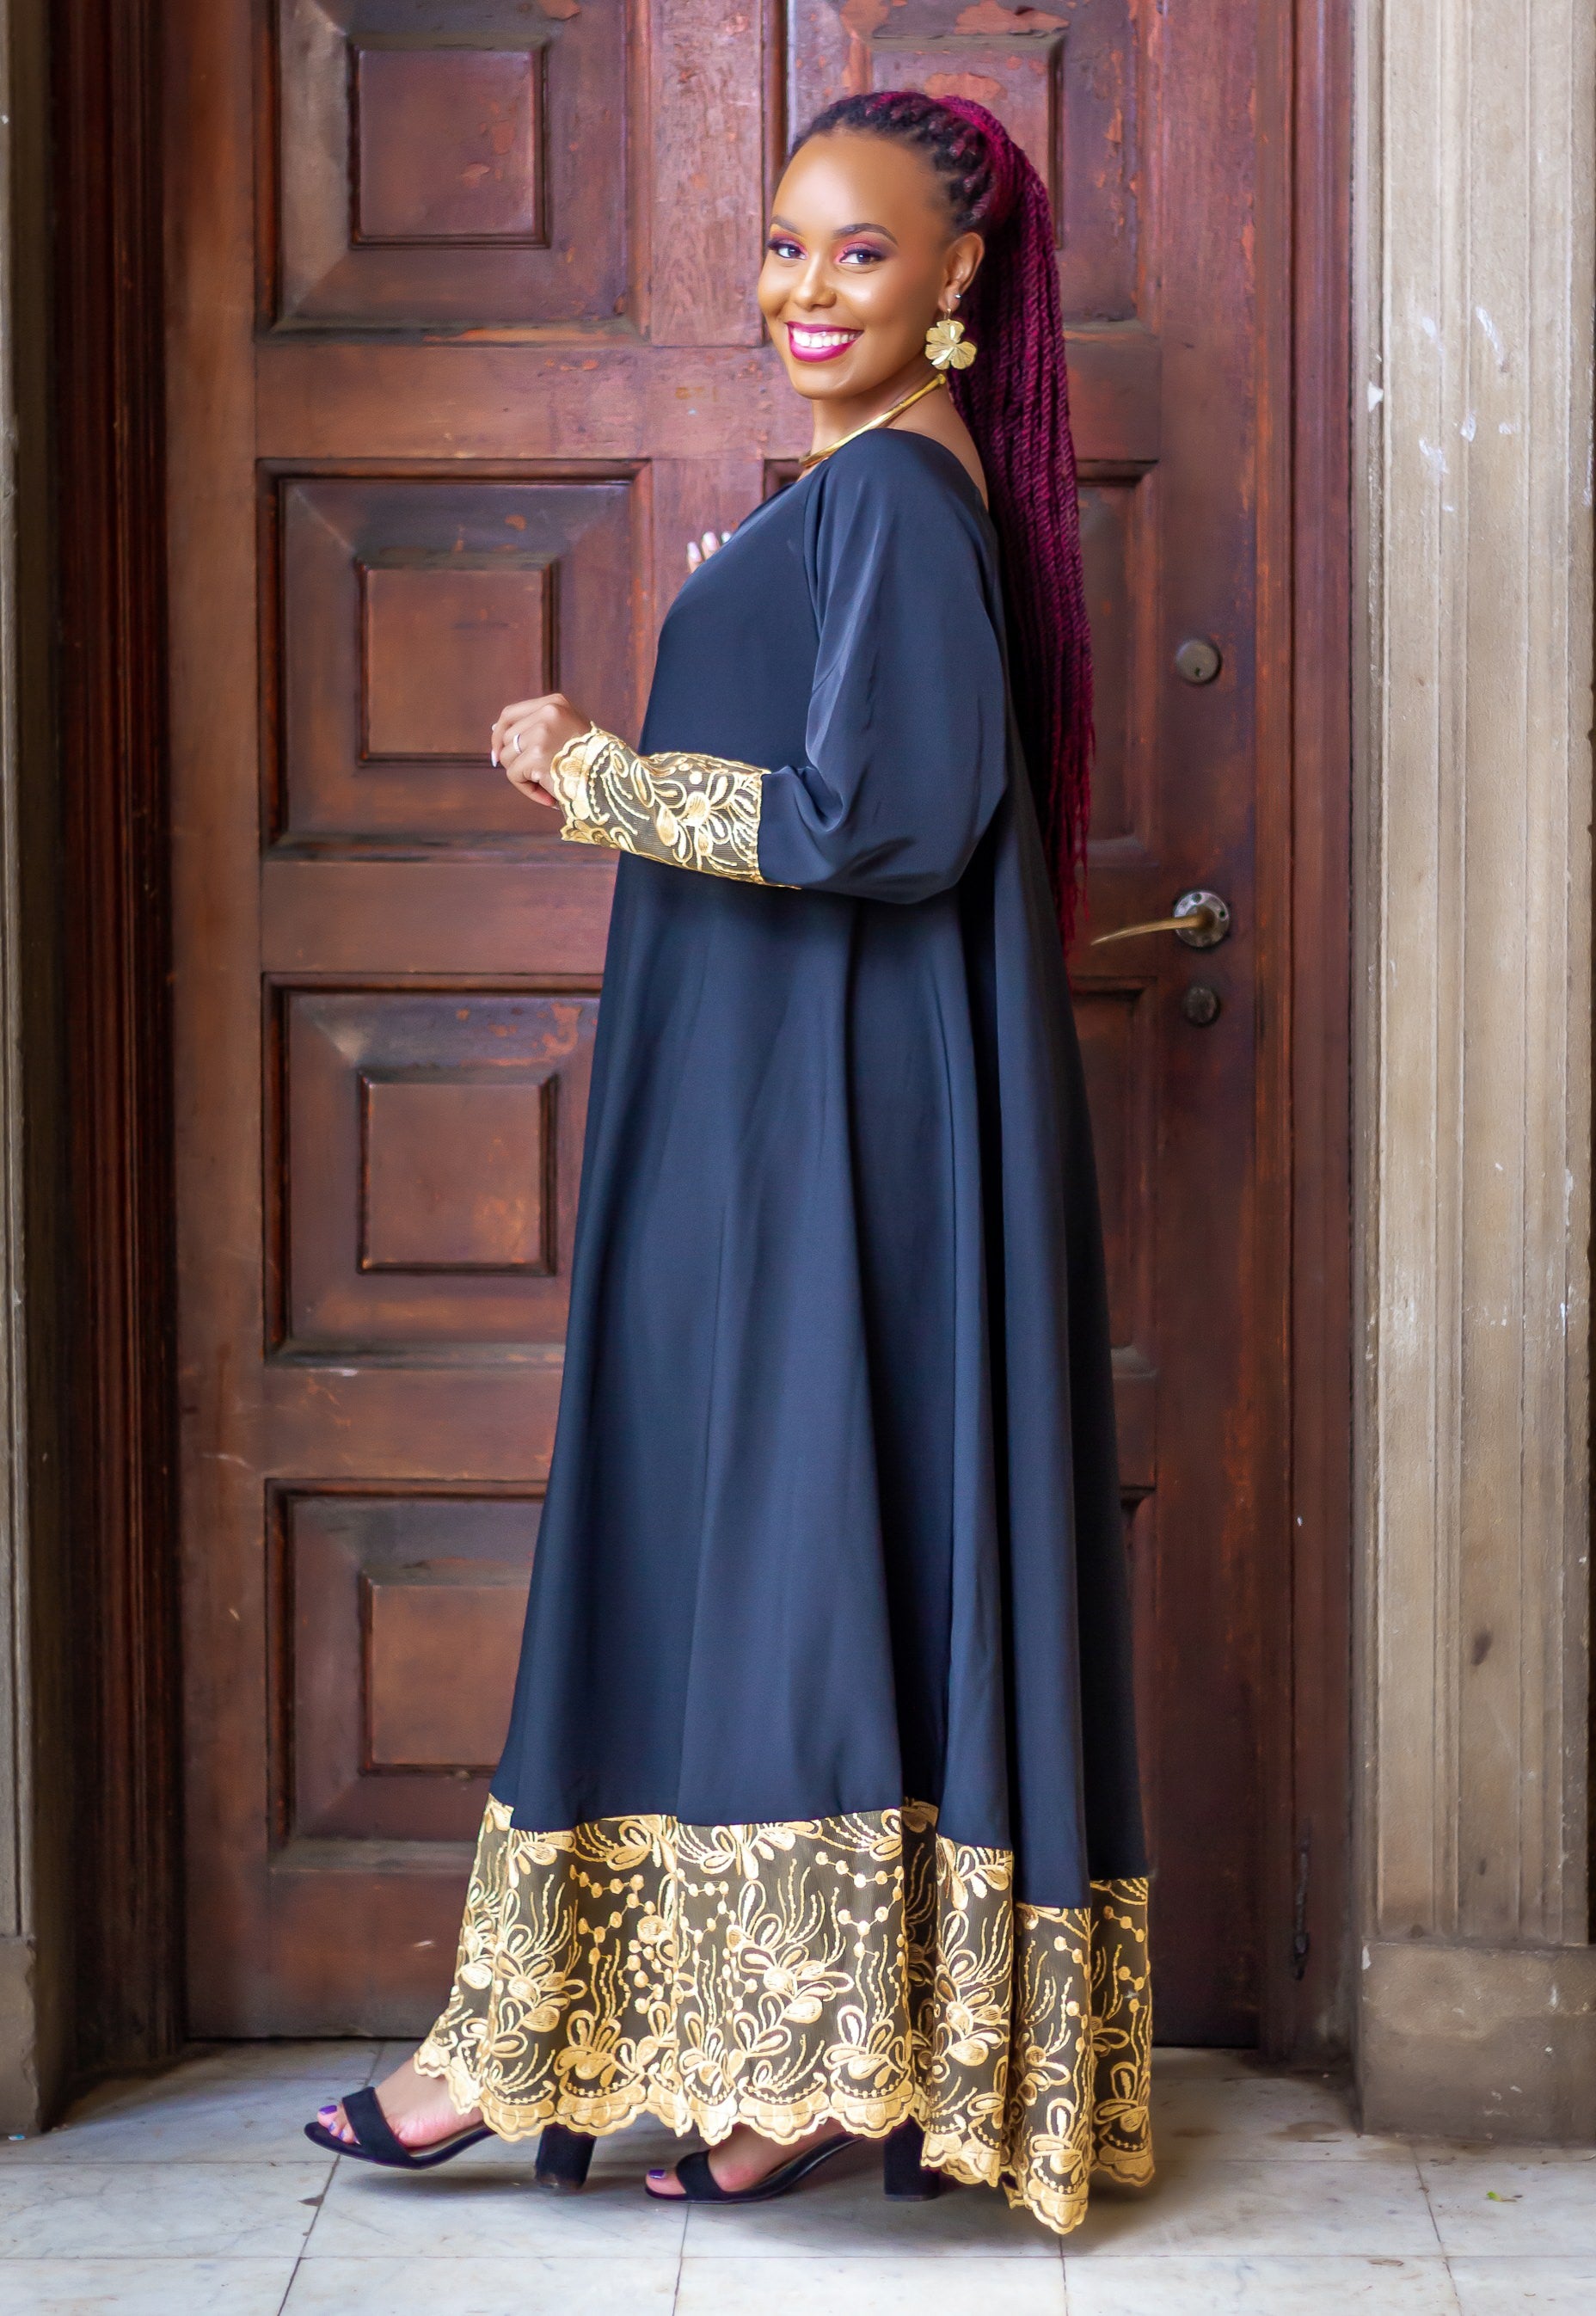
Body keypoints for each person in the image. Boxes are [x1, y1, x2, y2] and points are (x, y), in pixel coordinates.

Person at [305, 89, 1152, 2239]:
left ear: (957, 280)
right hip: (787, 1108)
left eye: (859, 251)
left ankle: (594, 2056)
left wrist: (598, 773)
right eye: (785, 244)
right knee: (757, 1543)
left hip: (827, 1133)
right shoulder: (877, 491)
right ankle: (756, 2073)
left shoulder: (899, 498)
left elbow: (882, 824)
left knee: (784, 1544)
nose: (806, 289)